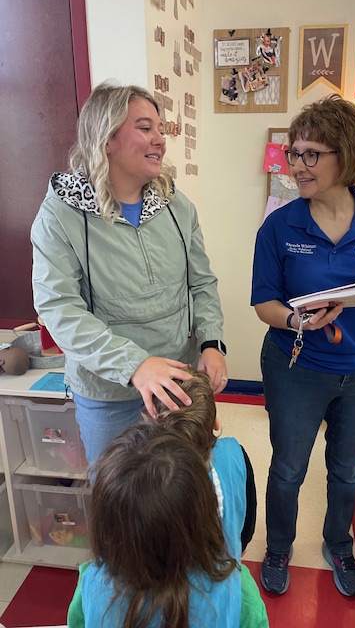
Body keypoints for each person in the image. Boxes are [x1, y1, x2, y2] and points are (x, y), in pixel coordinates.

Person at [250, 94, 355, 597]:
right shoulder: (280, 225)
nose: (297, 165)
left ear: (345, 156)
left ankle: (339, 544)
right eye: (293, 153)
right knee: (288, 467)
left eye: (311, 155)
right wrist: (299, 318)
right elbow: (264, 304)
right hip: (297, 365)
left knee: (346, 471)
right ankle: (278, 546)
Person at [31, 81, 228, 465]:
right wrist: (134, 365)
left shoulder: (177, 206)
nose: (160, 140)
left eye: (160, 128)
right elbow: (60, 309)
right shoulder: (60, 215)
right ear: (106, 139)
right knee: (120, 508)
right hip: (108, 397)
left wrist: (211, 343)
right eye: (144, 127)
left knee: (181, 499)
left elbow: (201, 282)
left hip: (178, 388)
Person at [67, 423, 240, 628]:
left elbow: (78, 622)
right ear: (203, 514)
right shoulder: (232, 585)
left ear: (105, 525)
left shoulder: (94, 584)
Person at [147, 367, 267, 627]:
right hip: (222, 577)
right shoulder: (237, 455)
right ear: (215, 423)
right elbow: (247, 521)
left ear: (150, 421)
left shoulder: (137, 472)